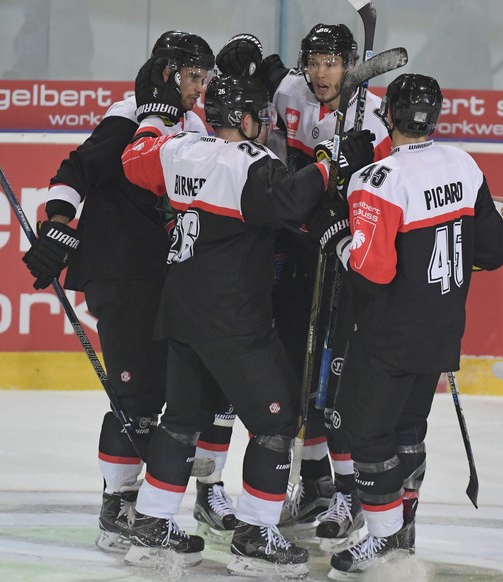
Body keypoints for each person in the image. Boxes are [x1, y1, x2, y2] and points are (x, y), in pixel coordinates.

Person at [120, 72, 375, 576]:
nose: (266, 125)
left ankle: (151, 522)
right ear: (243, 118)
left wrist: (153, 117)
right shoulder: (250, 163)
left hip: (182, 312)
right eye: (260, 116)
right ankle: (257, 535)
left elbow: (135, 164)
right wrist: (332, 164)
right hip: (233, 320)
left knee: (181, 419)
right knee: (277, 420)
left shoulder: (180, 151)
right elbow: (289, 201)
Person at [21, 30, 237, 553]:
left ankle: (152, 503)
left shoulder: (192, 123)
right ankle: (118, 508)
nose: (199, 88)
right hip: (121, 272)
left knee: (167, 391)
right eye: (191, 77)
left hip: (162, 275)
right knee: (137, 396)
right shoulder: (130, 113)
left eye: (205, 79)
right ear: (165, 72)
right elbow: (75, 170)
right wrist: (57, 221)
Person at [324, 73, 503, 578]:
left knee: (368, 435)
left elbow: (372, 269)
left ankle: (382, 540)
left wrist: (340, 237)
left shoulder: (377, 180)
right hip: (443, 329)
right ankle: (403, 528)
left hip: (388, 335)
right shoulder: (464, 165)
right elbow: (493, 250)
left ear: (390, 118)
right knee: (409, 430)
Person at [217, 24, 391, 536]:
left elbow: (389, 192)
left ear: (351, 63)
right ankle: (315, 485)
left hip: (345, 253)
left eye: (333, 62)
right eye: (314, 60)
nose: (321, 72)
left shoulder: (375, 117)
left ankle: (348, 492)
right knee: (299, 369)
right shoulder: (288, 89)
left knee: (336, 379)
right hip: (294, 248)